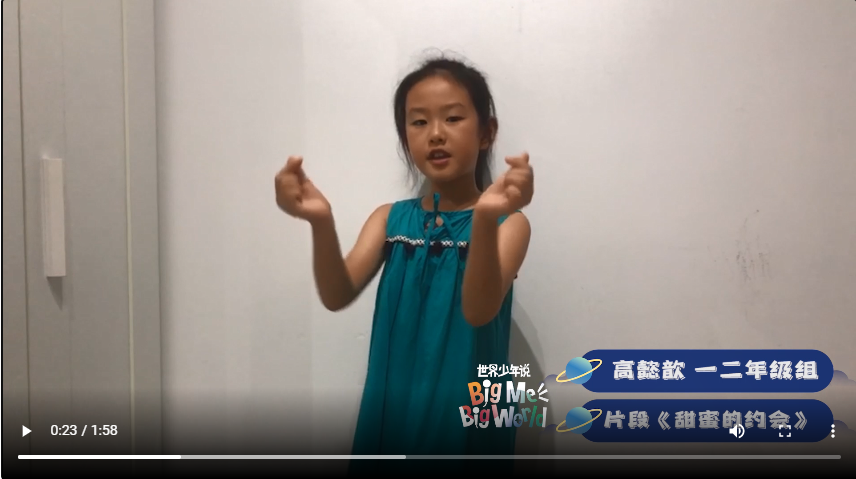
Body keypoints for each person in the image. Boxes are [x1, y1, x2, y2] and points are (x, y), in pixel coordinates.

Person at [275, 56, 534, 473]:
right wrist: (320, 221)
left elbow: (478, 310)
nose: (436, 134)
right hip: (395, 401)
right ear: (404, 137)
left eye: (453, 118)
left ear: (487, 132)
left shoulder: (510, 224)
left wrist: (485, 218)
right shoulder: (389, 219)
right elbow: (337, 294)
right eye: (418, 122)